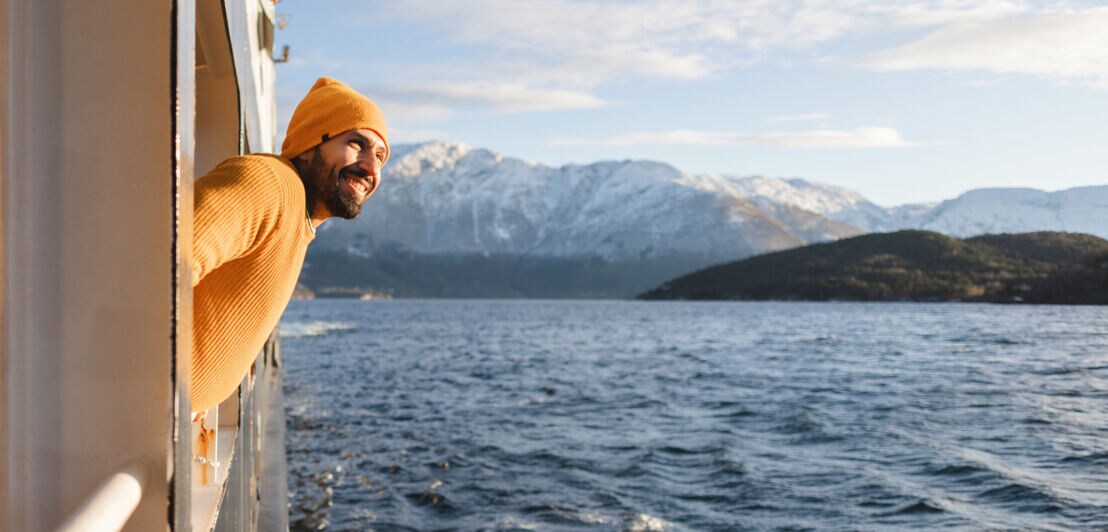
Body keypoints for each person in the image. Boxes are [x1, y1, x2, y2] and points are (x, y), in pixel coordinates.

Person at [190, 77, 388, 414]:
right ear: (310, 146)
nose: (371, 167)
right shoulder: (271, 184)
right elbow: (162, 262)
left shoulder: (298, 218)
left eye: (381, 156)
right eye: (357, 144)